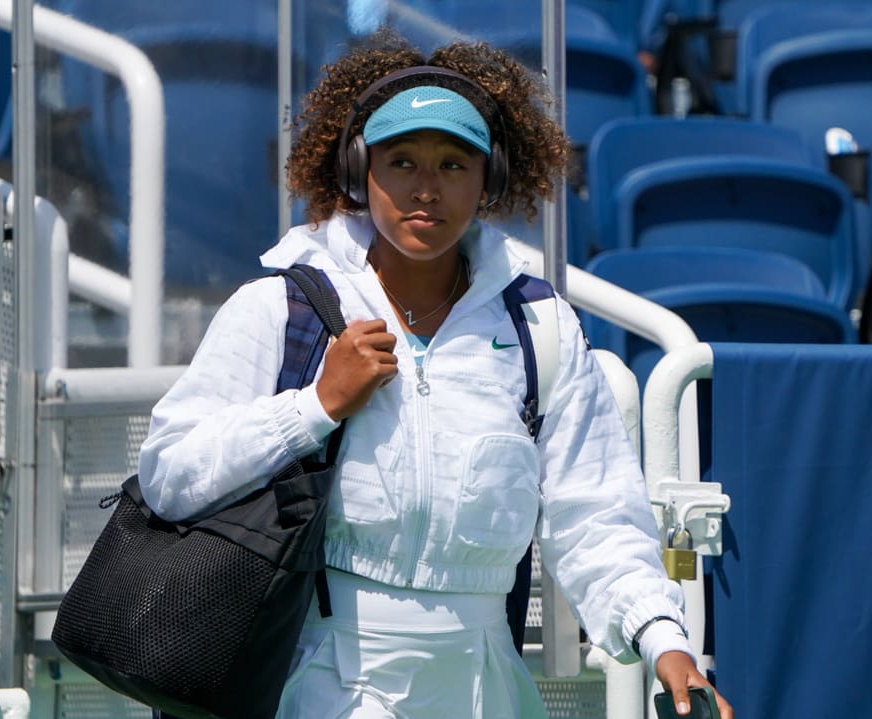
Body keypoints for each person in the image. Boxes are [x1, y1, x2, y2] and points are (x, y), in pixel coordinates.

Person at [137, 30, 733, 719]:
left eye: (454, 163)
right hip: (323, 682)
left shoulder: (541, 326)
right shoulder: (280, 307)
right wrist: (313, 407)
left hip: (488, 686)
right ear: (360, 171)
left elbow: (594, 512)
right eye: (401, 161)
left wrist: (663, 638)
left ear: (492, 179)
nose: (426, 189)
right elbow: (168, 472)